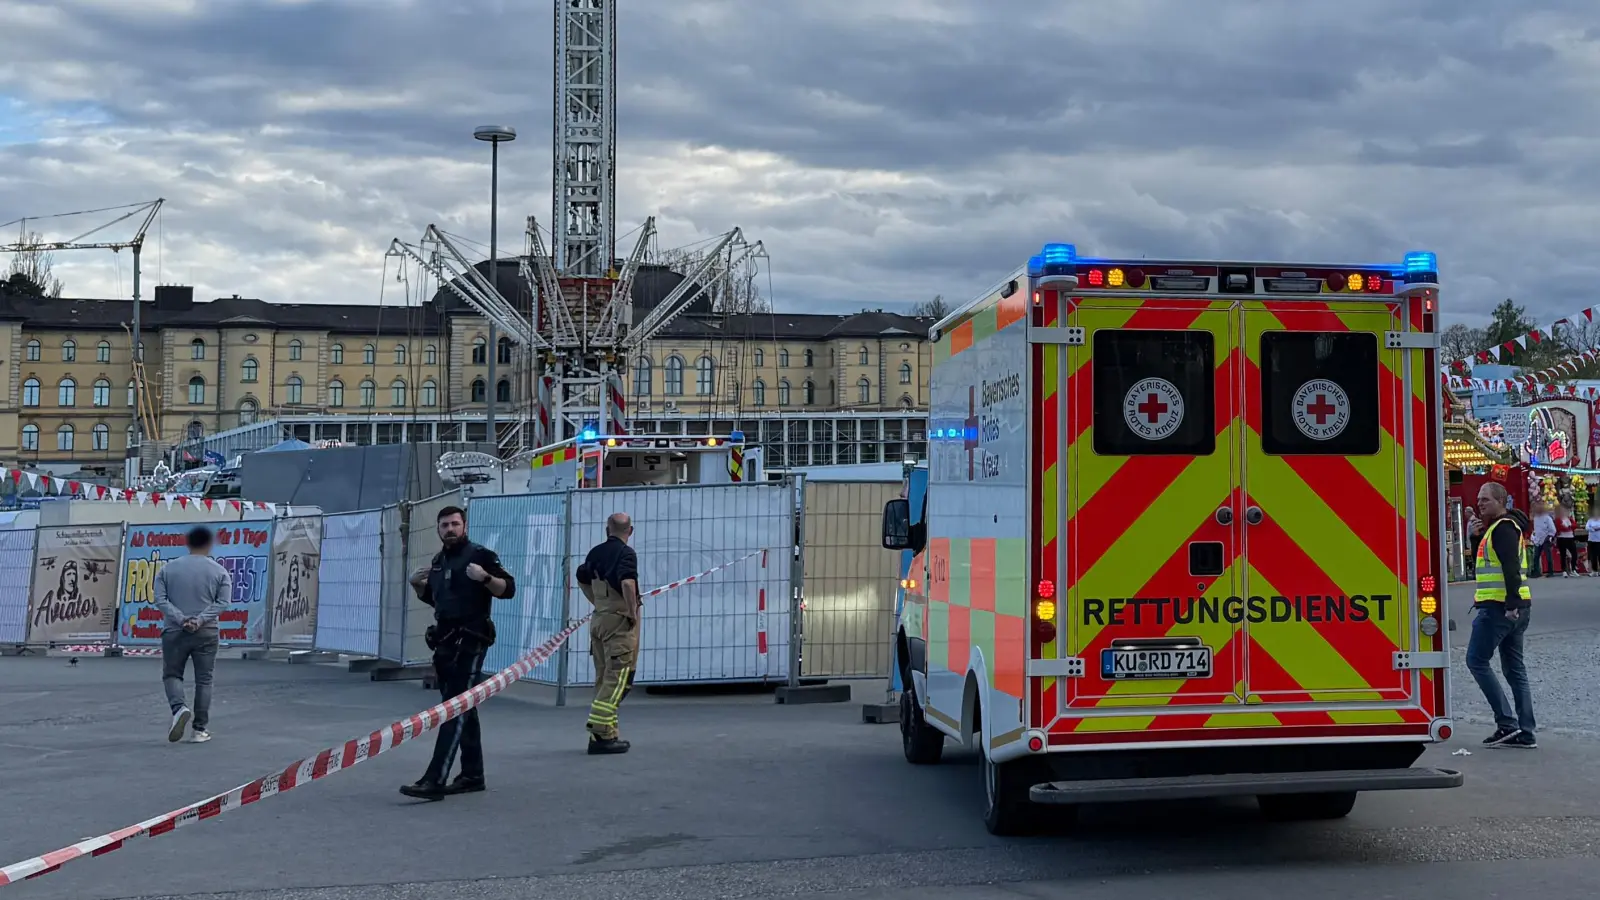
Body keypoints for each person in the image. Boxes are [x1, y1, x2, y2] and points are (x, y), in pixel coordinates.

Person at [399, 506, 516, 800]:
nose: (450, 529)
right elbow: (439, 599)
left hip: (472, 638)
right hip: (445, 640)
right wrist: (417, 586)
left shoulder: (480, 556)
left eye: (454, 524)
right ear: (438, 530)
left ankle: (435, 779)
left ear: (464, 526)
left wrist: (486, 579)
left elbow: (508, 589)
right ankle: (472, 774)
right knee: (462, 705)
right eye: (444, 525)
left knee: (455, 707)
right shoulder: (439, 561)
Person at [1469, 482, 1537, 749]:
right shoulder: (1500, 529)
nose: (1480, 503)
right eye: (1478, 499)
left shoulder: (1503, 529)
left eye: (1485, 499)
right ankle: (1525, 732)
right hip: (1514, 608)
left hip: (1499, 608)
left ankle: (1507, 723)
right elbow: (1488, 566)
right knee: (1514, 669)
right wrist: (1475, 539)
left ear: (1501, 501)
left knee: (1476, 660)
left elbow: (1510, 566)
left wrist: (1511, 603)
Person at [153, 526, 232, 744]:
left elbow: (161, 600)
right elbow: (223, 602)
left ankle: (179, 708)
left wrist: (180, 618)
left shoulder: (167, 570)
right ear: (209, 544)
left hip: (174, 630)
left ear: (187, 543)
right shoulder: (219, 571)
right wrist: (199, 620)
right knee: (204, 680)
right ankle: (199, 730)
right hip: (206, 631)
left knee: (172, 674)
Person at [576, 512, 641, 755]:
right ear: (630, 531)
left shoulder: (595, 552)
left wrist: (597, 602)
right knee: (618, 679)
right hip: (618, 623)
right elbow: (627, 583)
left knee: (603, 677)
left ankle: (605, 733)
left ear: (607, 530)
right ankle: (602, 731)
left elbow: (581, 577)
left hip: (600, 620)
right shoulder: (626, 554)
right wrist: (631, 611)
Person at [1528, 504, 1555, 577]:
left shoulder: (1547, 518)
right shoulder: (1536, 518)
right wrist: (1534, 537)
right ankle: (1536, 572)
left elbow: (1553, 529)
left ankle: (1550, 571)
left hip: (1546, 538)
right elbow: (1536, 529)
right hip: (1538, 540)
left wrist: (1549, 536)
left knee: (1548, 556)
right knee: (1536, 556)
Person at [1555, 506, 1578, 576]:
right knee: (1563, 555)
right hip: (1562, 538)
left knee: (1574, 553)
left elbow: (1575, 525)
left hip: (1570, 537)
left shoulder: (1569, 519)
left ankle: (1573, 569)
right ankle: (1564, 570)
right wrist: (1568, 527)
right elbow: (1560, 527)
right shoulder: (1558, 519)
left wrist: (1569, 527)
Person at [1586, 506, 1600, 577]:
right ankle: (1594, 571)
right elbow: (1587, 527)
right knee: (1593, 556)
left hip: (1599, 540)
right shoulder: (1590, 520)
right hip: (1591, 540)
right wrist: (1593, 529)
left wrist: (1597, 528)